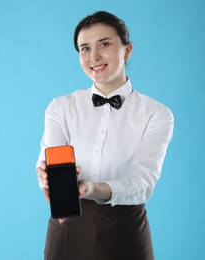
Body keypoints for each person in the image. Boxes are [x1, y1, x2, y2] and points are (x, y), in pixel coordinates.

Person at [36, 11, 174, 260]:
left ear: (127, 50)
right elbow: (48, 161)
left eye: (105, 44)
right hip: (67, 229)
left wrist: (95, 189)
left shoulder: (157, 114)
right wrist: (46, 179)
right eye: (84, 48)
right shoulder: (60, 107)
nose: (94, 56)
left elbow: (143, 181)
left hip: (125, 230)